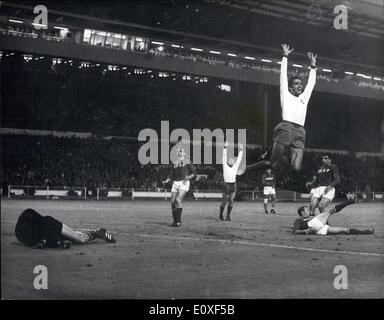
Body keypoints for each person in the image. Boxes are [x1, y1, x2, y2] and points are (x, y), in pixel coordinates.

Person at [246, 44, 317, 173]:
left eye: (301, 83)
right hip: (286, 127)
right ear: (290, 87)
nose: (300, 85)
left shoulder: (304, 98)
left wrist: (313, 66)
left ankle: (281, 156)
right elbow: (283, 76)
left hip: (300, 131)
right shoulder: (286, 94)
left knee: (296, 168)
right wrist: (285, 56)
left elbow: (311, 83)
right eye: (297, 84)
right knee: (272, 164)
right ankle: (246, 169)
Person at [15, 208, 116, 249]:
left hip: (54, 226)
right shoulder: (23, 235)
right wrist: (60, 244)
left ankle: (98, 233)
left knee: (79, 240)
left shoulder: (42, 231)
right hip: (44, 228)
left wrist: (60, 244)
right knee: (71, 236)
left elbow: (47, 242)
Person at [293, 199, 374, 235]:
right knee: (330, 211)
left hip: (319, 230)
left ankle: (367, 232)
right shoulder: (298, 220)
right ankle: (349, 201)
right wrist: (304, 231)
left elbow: (322, 222)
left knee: (344, 230)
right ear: (302, 212)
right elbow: (295, 231)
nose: (309, 210)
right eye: (306, 210)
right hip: (312, 225)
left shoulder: (312, 216)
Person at [163, 146, 196, 227]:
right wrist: (167, 180)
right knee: (172, 202)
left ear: (184, 153)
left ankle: (178, 221)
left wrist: (188, 177)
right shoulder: (174, 163)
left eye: (181, 151)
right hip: (175, 183)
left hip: (184, 182)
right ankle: (175, 221)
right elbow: (171, 174)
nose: (179, 152)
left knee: (178, 200)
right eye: (178, 151)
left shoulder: (188, 161)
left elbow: (194, 173)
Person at [219, 141, 244, 221]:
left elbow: (239, 159)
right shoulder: (225, 165)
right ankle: (220, 214)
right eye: (230, 160)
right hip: (226, 184)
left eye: (233, 160)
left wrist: (241, 149)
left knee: (231, 201)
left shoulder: (235, 166)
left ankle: (228, 216)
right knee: (224, 201)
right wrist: (225, 147)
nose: (232, 161)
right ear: (227, 162)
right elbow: (224, 157)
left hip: (233, 185)